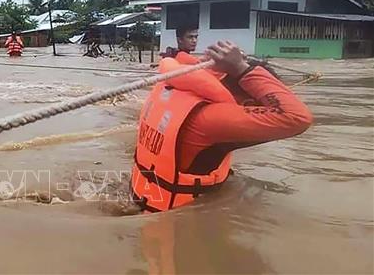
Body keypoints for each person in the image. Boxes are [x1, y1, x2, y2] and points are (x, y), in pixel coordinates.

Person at [131, 40, 313, 213]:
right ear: (250, 102)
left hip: (144, 199)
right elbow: (296, 117)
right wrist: (241, 68)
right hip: (182, 220)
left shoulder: (181, 92)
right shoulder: (211, 120)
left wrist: (234, 65)